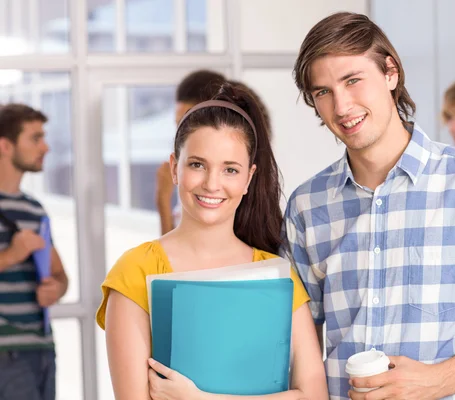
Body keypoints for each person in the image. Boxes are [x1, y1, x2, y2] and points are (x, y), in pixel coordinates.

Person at [283, 12, 455, 400]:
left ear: (390, 72)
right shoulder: (306, 206)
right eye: (322, 91)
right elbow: (298, 342)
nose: (341, 106)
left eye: (353, 80)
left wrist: (440, 380)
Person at [97, 83, 328, 400]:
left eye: (230, 170)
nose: (212, 184)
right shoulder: (135, 271)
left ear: (248, 178)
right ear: (175, 168)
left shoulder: (277, 274)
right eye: (197, 164)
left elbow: (314, 396)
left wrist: (198, 398)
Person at [0, 104, 69, 400]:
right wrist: (10, 256)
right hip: (6, 351)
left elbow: (59, 274)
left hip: (41, 348)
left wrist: (56, 288)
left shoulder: (34, 208)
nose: (46, 146)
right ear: (5, 145)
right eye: (35, 138)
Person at [156, 70, 274, 235]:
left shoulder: (235, 203)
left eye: (230, 170)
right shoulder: (189, 185)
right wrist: (163, 200)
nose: (183, 131)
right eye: (179, 124)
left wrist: (163, 199)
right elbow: (172, 253)